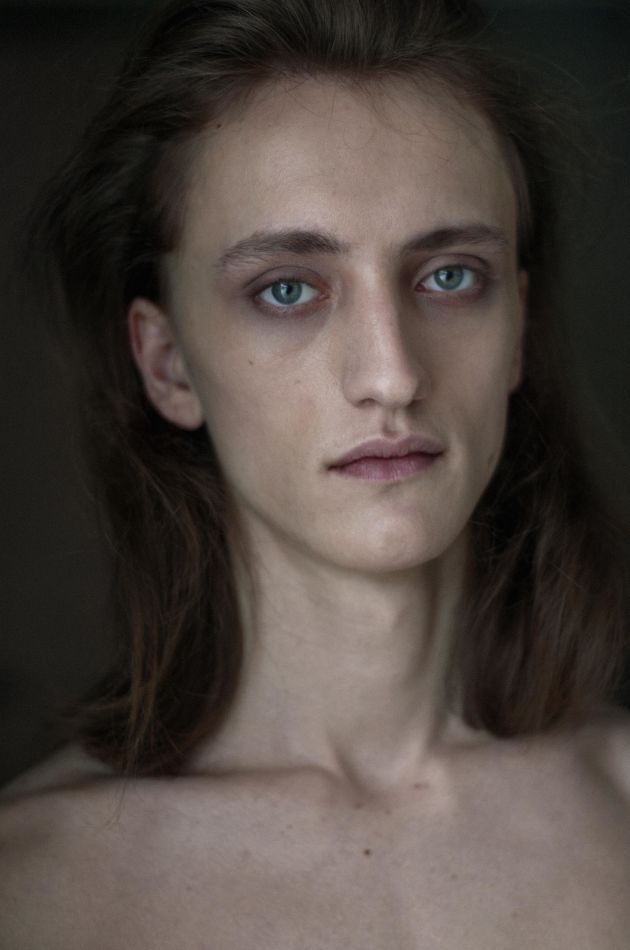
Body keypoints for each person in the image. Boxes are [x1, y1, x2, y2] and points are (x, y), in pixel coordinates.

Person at [1, 0, 629, 945]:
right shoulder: (33, 892)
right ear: (169, 364)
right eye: (287, 289)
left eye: (450, 275)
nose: (393, 375)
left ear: (517, 332)